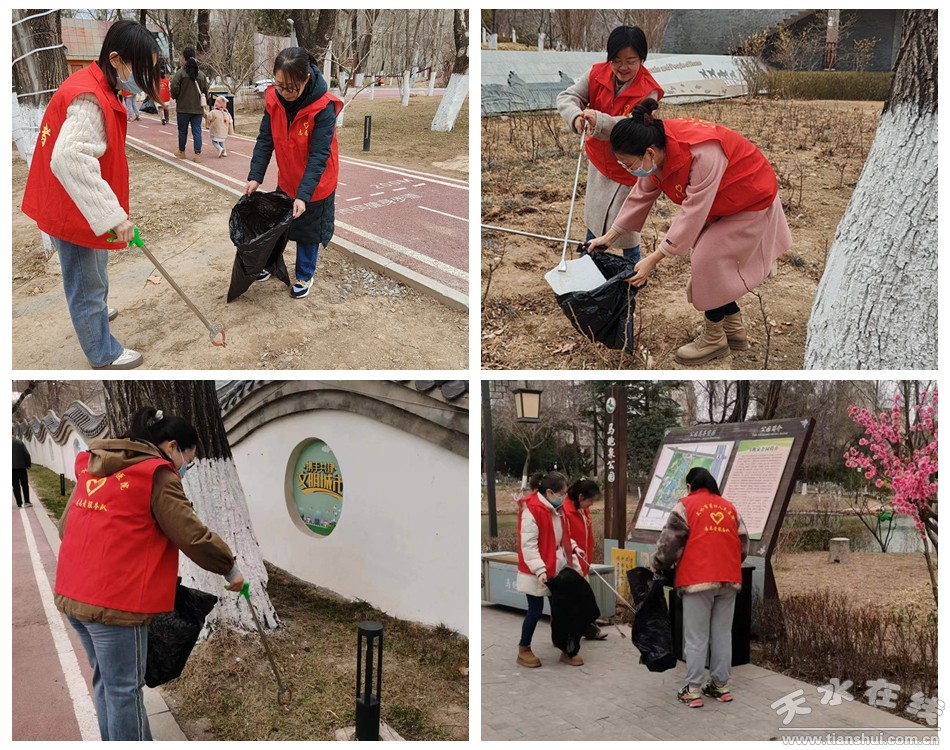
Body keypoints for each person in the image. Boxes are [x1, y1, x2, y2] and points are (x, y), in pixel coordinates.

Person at [54, 406, 245, 740]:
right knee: (125, 691)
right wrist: (230, 568)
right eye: (190, 458)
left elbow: (64, 528)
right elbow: (192, 534)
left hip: (72, 594)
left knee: (107, 683)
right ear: (172, 447)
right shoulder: (157, 475)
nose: (187, 466)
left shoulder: (95, 465)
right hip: (115, 606)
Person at [587, 98, 793, 366]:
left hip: (750, 200)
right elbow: (642, 195)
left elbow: (693, 211)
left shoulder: (702, 153)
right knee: (710, 265)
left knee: (706, 261)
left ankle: (714, 339)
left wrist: (653, 259)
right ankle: (733, 330)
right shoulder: (658, 149)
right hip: (724, 203)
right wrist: (610, 236)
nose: (629, 170)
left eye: (629, 164)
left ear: (649, 152)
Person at [21, 19, 161, 370]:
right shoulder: (90, 100)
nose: (145, 80)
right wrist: (113, 216)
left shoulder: (102, 86)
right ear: (116, 60)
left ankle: (95, 311)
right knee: (85, 280)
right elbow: (69, 157)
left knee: (94, 269)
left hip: (77, 203)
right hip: (72, 209)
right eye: (142, 69)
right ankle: (102, 352)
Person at [557, 25, 664, 265]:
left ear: (642, 60)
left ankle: (632, 274)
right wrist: (576, 117)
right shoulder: (596, 73)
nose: (623, 68)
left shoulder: (649, 90)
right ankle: (589, 266)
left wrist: (599, 120)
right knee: (594, 221)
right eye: (616, 61)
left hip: (628, 167)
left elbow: (633, 127)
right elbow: (567, 97)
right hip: (598, 161)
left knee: (626, 230)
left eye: (631, 61)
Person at [245, 47, 342, 300]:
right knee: (280, 226)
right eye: (279, 85)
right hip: (288, 177)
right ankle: (270, 264)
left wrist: (303, 195)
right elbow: (265, 139)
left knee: (308, 231)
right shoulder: (274, 100)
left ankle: (304, 274)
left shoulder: (323, 108)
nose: (285, 92)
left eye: (291, 87)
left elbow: (319, 156)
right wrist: (255, 176)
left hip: (316, 183)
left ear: (306, 78)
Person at [652, 467, 749, 708]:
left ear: (690, 486)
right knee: (722, 634)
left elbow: (669, 544)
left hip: (697, 579)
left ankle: (693, 690)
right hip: (728, 579)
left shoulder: (686, 506)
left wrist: (658, 564)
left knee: (696, 637)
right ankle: (720, 686)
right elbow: (744, 546)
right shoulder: (729, 507)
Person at [515, 471, 585, 668]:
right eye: (562, 492)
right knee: (535, 611)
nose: (564, 496)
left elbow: (561, 535)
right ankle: (524, 649)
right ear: (549, 492)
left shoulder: (558, 509)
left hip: (556, 566)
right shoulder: (532, 510)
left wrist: (574, 547)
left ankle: (566, 648)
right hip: (535, 569)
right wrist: (539, 569)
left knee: (562, 610)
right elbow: (528, 545)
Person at [563, 477, 607, 640]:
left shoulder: (582, 509)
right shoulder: (565, 512)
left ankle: (587, 628)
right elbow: (565, 539)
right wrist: (576, 565)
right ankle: (569, 635)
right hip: (571, 564)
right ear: (581, 497)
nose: (592, 505)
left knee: (583, 598)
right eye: (590, 501)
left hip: (583, 561)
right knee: (577, 600)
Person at [170, 46, 209, 163]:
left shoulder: (180, 73)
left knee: (182, 131)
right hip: (197, 109)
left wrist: (176, 97)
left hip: (183, 108)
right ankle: (197, 154)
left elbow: (174, 88)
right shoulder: (201, 75)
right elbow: (205, 91)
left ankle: (182, 151)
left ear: (184, 58)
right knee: (197, 131)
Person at [13, 437, 32, 508]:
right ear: (13, 432)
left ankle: (19, 503)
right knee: (24, 484)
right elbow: (26, 454)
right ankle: (27, 501)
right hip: (21, 467)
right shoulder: (19, 442)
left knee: (15, 486)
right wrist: (28, 464)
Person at [157, 59, 171, 125]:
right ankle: (167, 119)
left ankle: (163, 118)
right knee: (166, 108)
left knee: (160, 108)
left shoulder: (156, 81)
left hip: (159, 96)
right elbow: (170, 88)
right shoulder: (167, 81)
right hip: (166, 96)